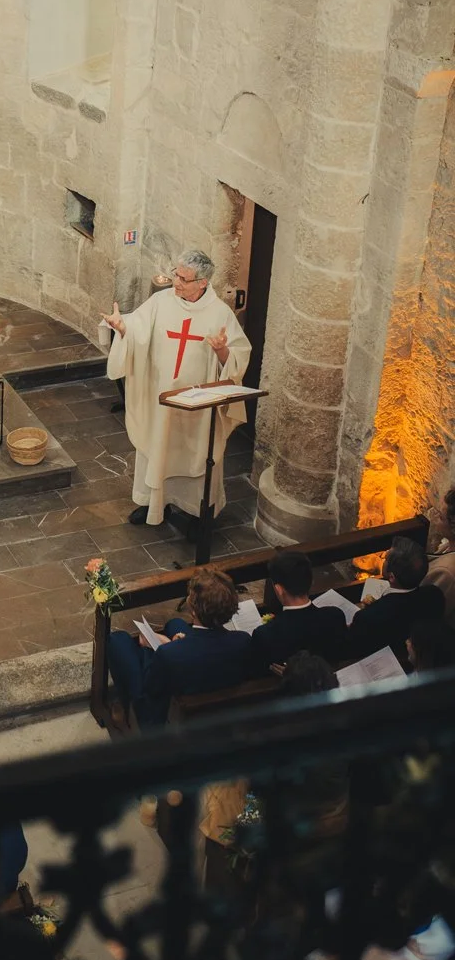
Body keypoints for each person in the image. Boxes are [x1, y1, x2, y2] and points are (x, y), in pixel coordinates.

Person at [100, 250, 251, 527]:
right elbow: (137, 327)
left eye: (184, 278)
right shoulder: (161, 301)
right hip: (161, 400)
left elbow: (238, 357)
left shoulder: (220, 314)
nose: (176, 282)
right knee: (157, 448)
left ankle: (197, 514)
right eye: (176, 275)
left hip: (197, 408)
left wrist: (221, 352)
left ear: (203, 283)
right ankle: (153, 505)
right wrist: (123, 328)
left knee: (196, 459)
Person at [107, 567, 252, 728]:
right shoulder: (243, 641)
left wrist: (148, 649)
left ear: (194, 611)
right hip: (218, 705)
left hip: (171, 717)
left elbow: (150, 688)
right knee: (176, 624)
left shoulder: (168, 655)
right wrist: (177, 645)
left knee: (118, 640)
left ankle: (127, 714)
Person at [345, 536, 445, 664]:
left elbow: (355, 648)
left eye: (385, 558)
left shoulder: (367, 618)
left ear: (392, 577)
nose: (382, 559)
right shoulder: (435, 596)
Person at [250, 550, 347, 674]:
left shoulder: (265, 635)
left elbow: (258, 674)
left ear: (279, 589)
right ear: (311, 582)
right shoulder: (335, 617)